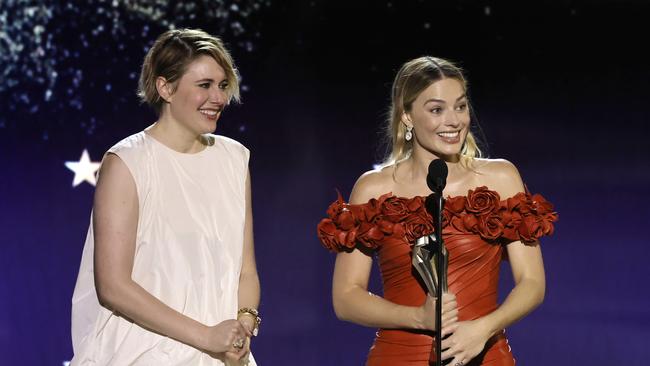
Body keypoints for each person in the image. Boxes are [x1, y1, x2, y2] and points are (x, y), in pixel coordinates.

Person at [317, 56, 558, 366]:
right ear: (406, 116)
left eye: (460, 106)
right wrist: (418, 317)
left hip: (482, 354)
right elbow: (346, 298)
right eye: (436, 110)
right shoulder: (373, 188)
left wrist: (482, 330)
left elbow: (532, 283)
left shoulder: (500, 178)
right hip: (398, 357)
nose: (454, 121)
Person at [70, 29, 260, 366]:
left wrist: (242, 326)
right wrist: (206, 336)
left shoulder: (234, 159)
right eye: (204, 85)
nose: (218, 98)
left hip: (222, 357)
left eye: (222, 85)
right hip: (141, 353)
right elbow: (112, 285)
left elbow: (245, 270)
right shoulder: (128, 162)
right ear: (165, 88)